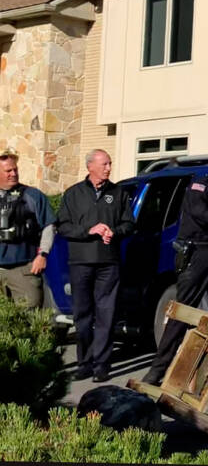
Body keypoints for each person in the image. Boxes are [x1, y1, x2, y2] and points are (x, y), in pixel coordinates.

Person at [142, 150, 208, 385]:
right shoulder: (201, 184)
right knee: (182, 312)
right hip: (198, 254)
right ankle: (157, 371)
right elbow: (198, 213)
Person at [57, 149, 134, 382]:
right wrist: (88, 231)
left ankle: (101, 365)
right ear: (90, 166)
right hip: (80, 262)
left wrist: (115, 231)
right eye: (105, 164)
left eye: (110, 163)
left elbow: (129, 223)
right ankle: (85, 363)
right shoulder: (73, 194)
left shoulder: (118, 193)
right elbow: (62, 226)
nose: (109, 168)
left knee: (106, 315)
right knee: (83, 315)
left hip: (108, 263)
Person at [0, 148, 57, 307]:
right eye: (8, 170)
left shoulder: (33, 196)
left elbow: (49, 226)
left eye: (15, 169)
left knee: (28, 319)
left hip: (24, 270)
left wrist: (43, 255)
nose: (13, 173)